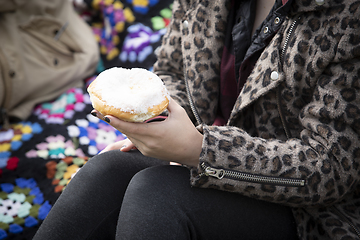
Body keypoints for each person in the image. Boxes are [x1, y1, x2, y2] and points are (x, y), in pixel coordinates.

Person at [33, 0, 360, 239]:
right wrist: (160, 123)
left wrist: (199, 150)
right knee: (107, 171)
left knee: (158, 194)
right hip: (211, 158)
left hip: (312, 213)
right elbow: (175, 69)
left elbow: (332, 168)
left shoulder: (346, 15)